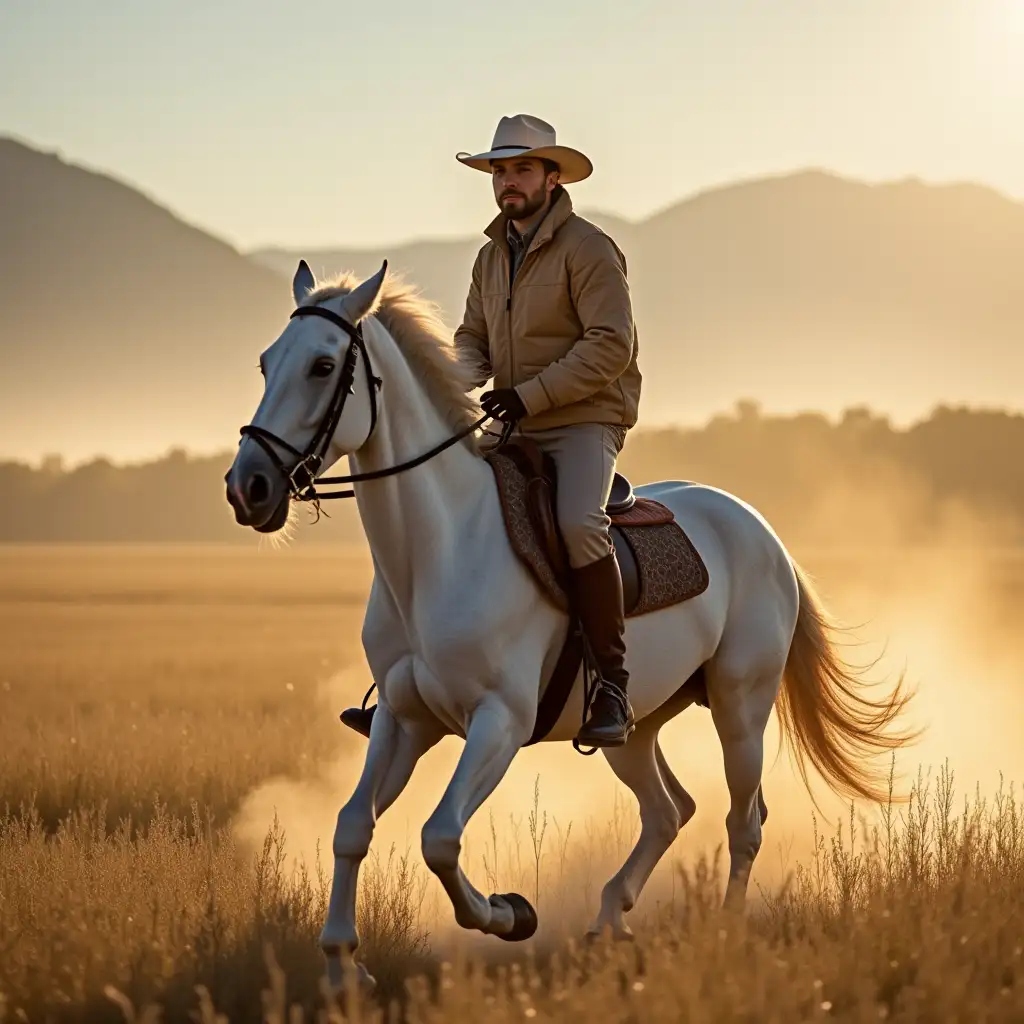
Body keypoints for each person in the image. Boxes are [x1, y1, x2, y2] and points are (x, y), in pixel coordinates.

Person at [453, 113, 643, 747]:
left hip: (584, 419)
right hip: (512, 421)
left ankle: (612, 684)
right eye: (499, 171)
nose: (508, 182)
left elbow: (609, 345)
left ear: (552, 176)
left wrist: (528, 396)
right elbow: (472, 341)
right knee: (447, 509)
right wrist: (437, 387)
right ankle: (423, 675)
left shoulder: (589, 248)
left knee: (579, 525)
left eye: (522, 169)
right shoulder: (487, 259)